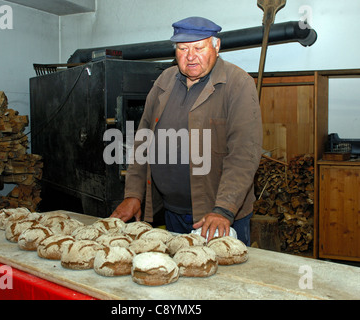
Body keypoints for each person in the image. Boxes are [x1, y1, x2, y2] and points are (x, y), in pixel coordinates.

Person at [111, 16, 262, 245]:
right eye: (183, 49)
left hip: (216, 218)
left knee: (223, 279)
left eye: (198, 47)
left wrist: (224, 209)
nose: (190, 56)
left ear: (216, 46)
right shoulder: (165, 80)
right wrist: (133, 194)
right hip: (172, 212)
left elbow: (244, 154)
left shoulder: (238, 84)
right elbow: (142, 138)